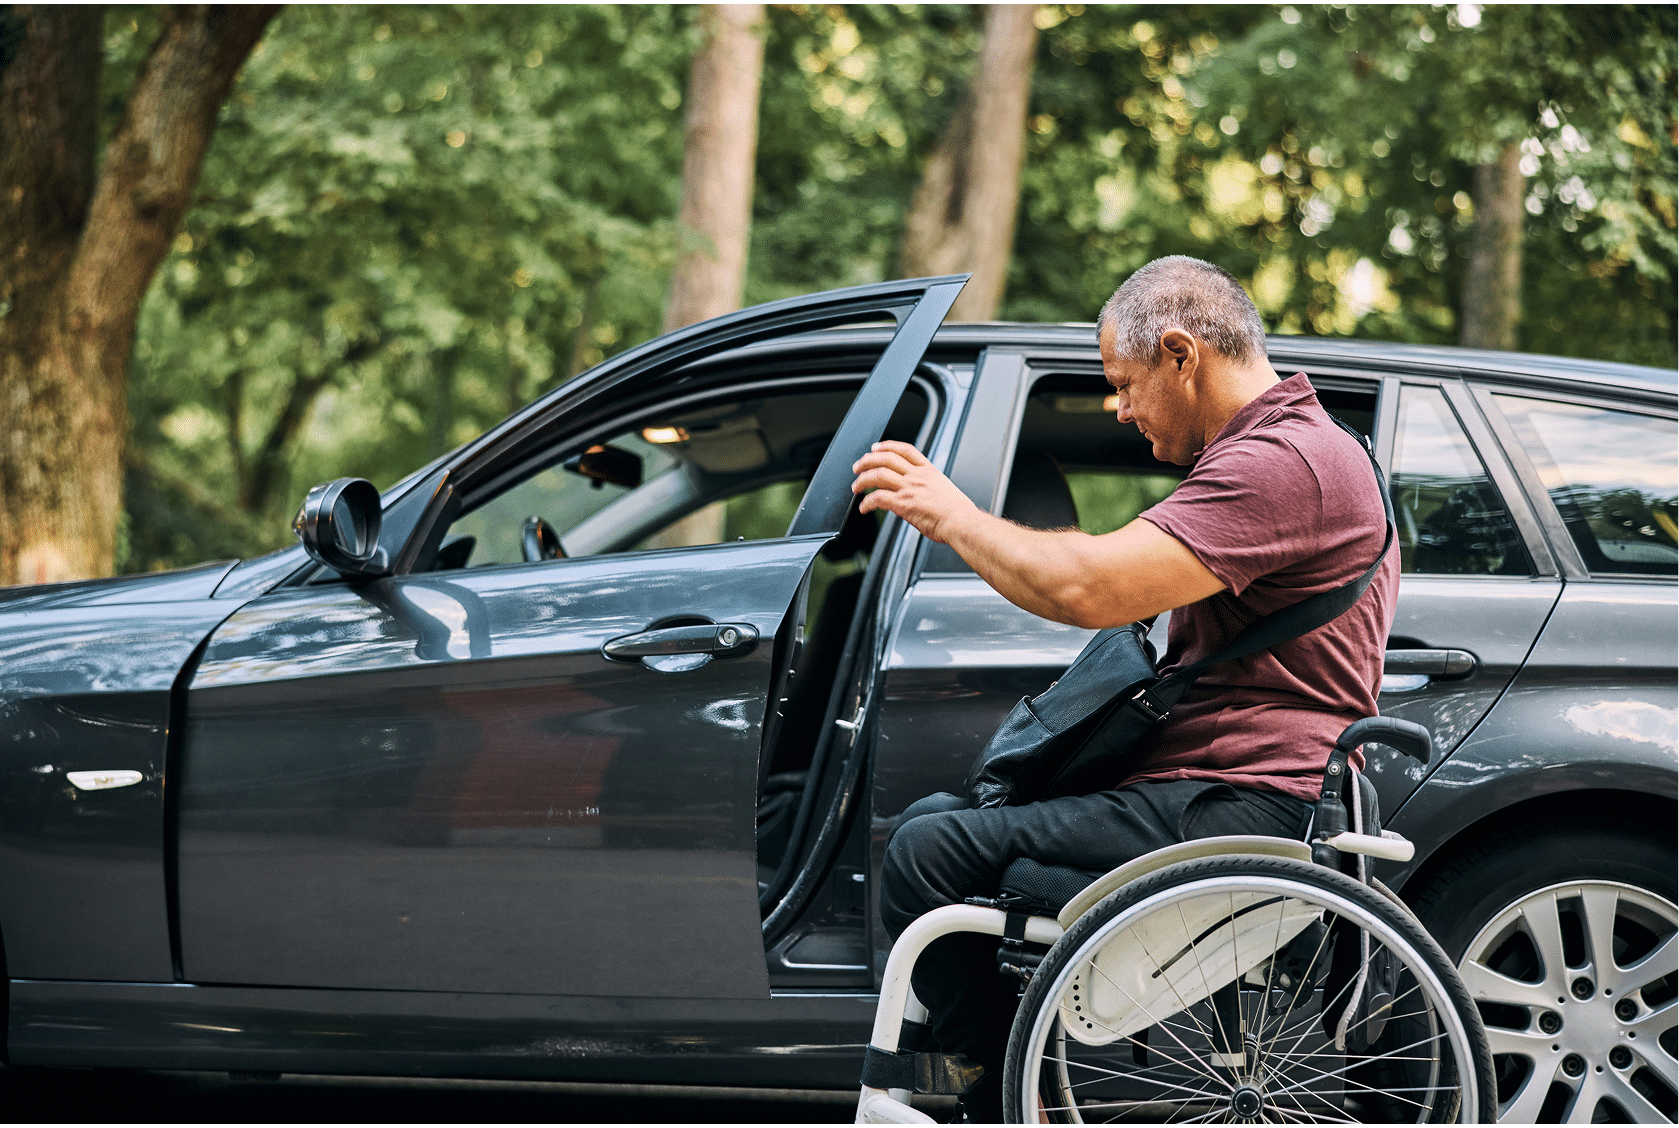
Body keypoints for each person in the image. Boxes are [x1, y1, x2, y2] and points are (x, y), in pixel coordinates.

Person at [849, 255, 1398, 1121]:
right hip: (1213, 787)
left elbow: (1086, 589)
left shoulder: (1280, 464)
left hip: (1237, 798)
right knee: (928, 827)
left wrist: (948, 512)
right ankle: (991, 1083)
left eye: (1125, 382)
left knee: (929, 851)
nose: (1120, 406)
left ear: (1181, 354)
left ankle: (989, 1098)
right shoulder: (1289, 450)